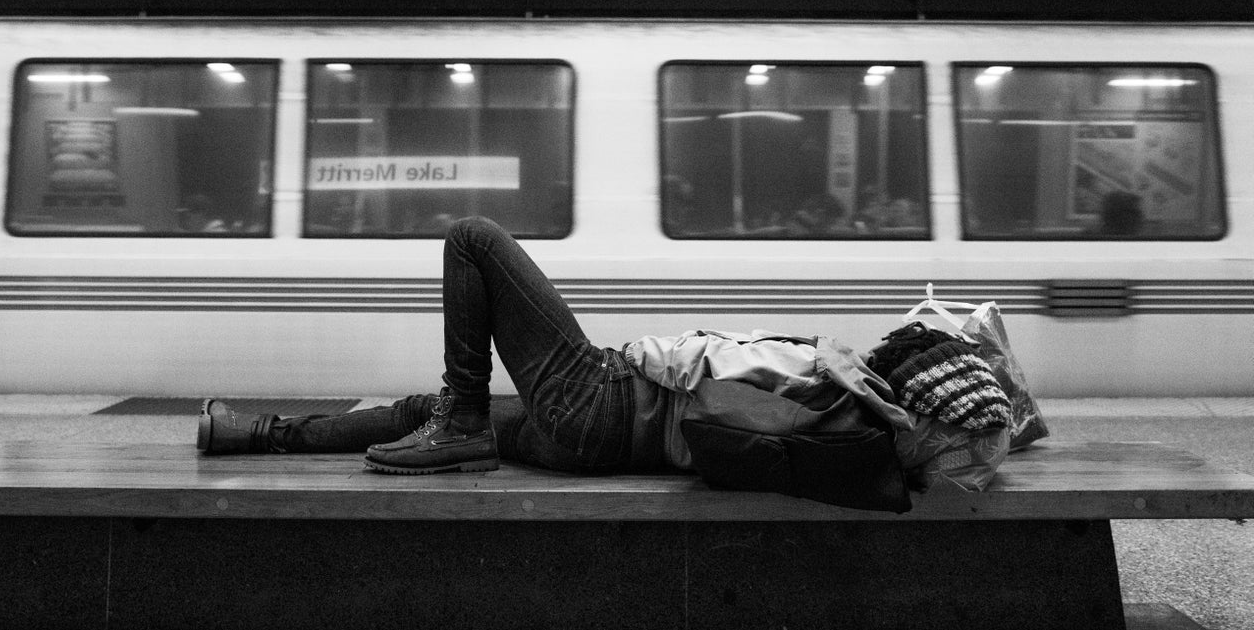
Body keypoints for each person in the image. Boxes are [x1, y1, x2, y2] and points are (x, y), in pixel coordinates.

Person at [198, 216, 1011, 480]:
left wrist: (680, 359)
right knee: (419, 406)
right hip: (590, 433)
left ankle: (464, 420)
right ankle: (256, 431)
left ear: (920, 381)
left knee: (472, 240)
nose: (903, 337)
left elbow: (712, 409)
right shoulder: (859, 414)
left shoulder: (836, 397)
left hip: (602, 398)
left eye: (916, 344)